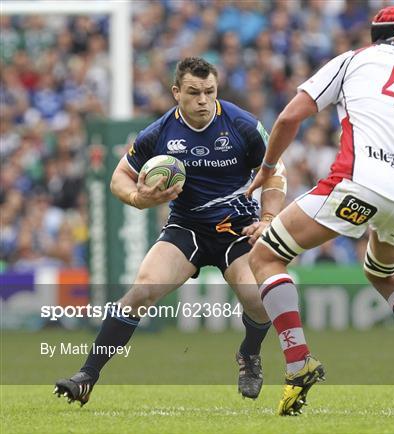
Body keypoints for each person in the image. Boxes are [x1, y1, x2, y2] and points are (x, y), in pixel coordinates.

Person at [247, 6, 394, 416]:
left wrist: (269, 167)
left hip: (356, 184)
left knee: (266, 256)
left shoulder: (354, 60)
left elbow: (290, 115)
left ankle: (297, 363)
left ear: (374, 36)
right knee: (382, 273)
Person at [54, 57, 287, 405]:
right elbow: (119, 176)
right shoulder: (158, 132)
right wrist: (138, 197)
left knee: (259, 302)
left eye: (209, 91)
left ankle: (248, 355)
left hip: (237, 229)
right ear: (176, 92)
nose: (203, 100)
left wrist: (268, 217)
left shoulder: (242, 125)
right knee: (141, 292)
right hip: (187, 228)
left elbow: (275, 170)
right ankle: (87, 376)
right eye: (193, 92)